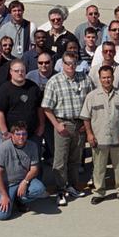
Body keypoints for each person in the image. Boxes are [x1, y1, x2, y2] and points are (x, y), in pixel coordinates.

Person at [42, 58, 94, 206]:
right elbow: (46, 107)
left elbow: (92, 101)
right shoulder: (54, 81)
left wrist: (87, 123)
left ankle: (72, 186)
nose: (70, 66)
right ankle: (60, 190)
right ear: (62, 64)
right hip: (63, 123)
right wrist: (57, 125)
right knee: (60, 160)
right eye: (67, 63)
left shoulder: (85, 79)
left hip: (80, 124)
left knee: (75, 159)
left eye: (73, 63)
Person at [81, 65, 119, 202]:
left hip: (118, 137)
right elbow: (86, 118)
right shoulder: (91, 96)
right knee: (99, 167)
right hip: (99, 138)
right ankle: (99, 192)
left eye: (109, 77)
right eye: (103, 78)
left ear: (113, 78)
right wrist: (89, 134)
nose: (106, 80)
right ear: (99, 79)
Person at [0, 124, 46, 220]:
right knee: (2, 214)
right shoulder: (3, 148)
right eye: (18, 134)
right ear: (12, 135)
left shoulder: (32, 146)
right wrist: (4, 195)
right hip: (6, 184)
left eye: (24, 134)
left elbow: (34, 169)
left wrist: (25, 181)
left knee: (39, 189)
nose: (21, 137)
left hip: (22, 181)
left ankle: (19, 200)